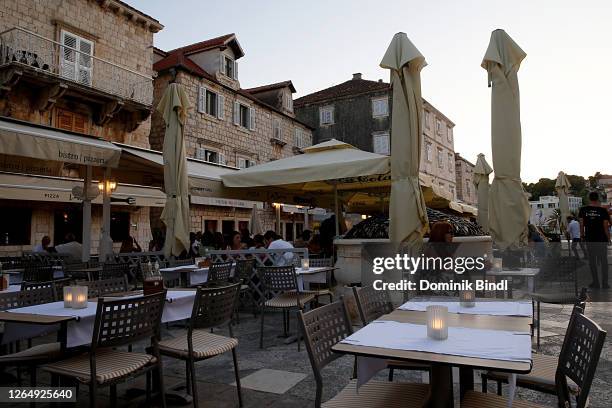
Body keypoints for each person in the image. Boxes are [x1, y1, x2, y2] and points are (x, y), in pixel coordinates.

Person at [579, 192, 611, 289]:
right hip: (601, 239)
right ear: (598, 199)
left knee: (592, 262)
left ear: (589, 198)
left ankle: (596, 283)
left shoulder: (583, 210)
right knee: (604, 261)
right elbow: (605, 226)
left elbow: (581, 224)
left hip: (590, 239)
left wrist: (582, 236)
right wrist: (609, 239)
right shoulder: (603, 210)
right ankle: (605, 283)